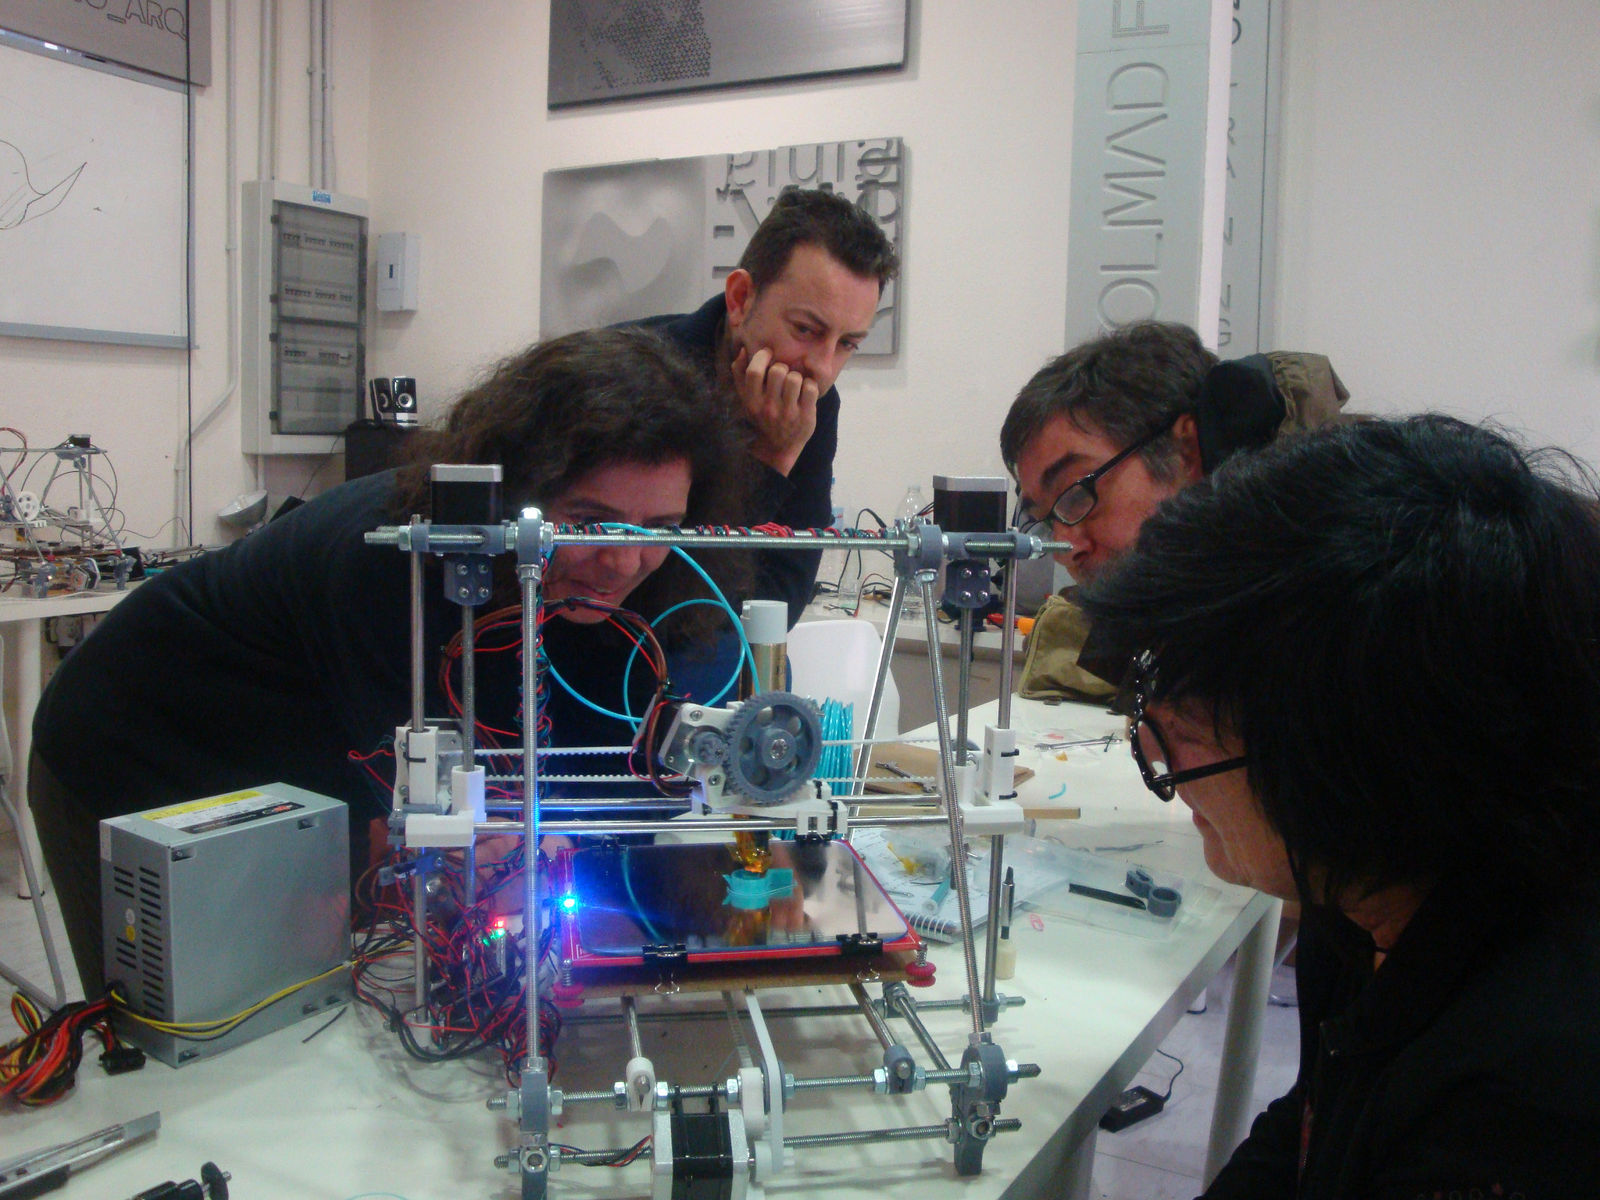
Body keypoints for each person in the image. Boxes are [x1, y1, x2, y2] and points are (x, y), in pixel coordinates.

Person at [29, 327, 752, 996]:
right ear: (514, 491)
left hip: (298, 777)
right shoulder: (395, 567)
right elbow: (439, 833)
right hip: (132, 748)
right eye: (591, 522)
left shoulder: (597, 581)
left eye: (659, 527)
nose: (623, 560)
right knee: (187, 1024)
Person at [1078, 415, 1600, 1197]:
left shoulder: (1523, 1105)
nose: (1163, 770)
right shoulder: (1369, 891)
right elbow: (1309, 1126)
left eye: (1180, 734)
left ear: (1352, 753)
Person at [999, 321, 1347, 694]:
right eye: (1047, 520)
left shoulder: (1342, 615)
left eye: (1077, 494)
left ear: (1187, 451)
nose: (1065, 550)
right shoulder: (1186, 617)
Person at [635, 187, 900, 625]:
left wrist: (780, 456)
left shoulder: (813, 401)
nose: (823, 368)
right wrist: (772, 459)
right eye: (806, 329)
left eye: (847, 344)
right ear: (740, 299)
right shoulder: (639, 373)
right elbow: (660, 600)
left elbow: (783, 600)